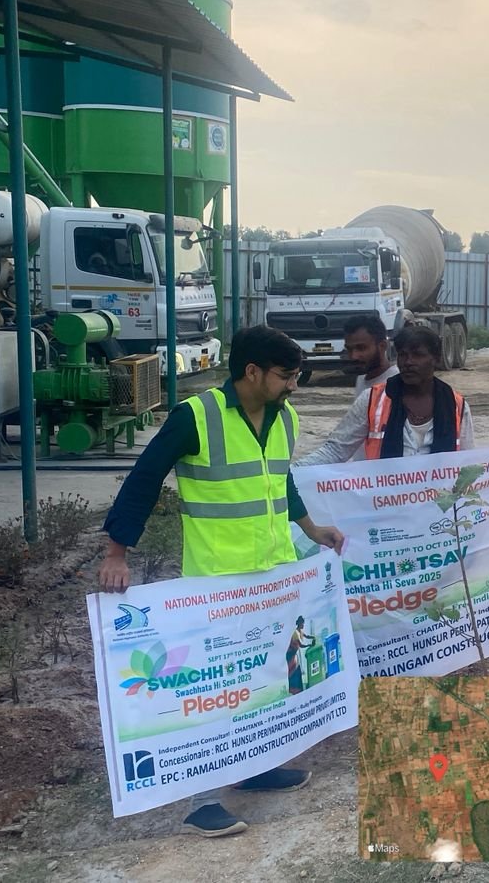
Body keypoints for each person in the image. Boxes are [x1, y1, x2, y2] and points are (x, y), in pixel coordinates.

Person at [95, 324, 345, 839]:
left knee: (264, 680)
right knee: (215, 691)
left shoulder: (285, 417)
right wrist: (117, 551)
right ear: (252, 371)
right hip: (217, 583)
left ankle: (256, 766)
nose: (293, 386)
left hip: (272, 578)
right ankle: (201, 801)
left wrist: (310, 528)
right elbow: (145, 477)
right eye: (286, 376)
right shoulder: (197, 416)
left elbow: (278, 481)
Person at [295, 325, 473, 465]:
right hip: (384, 499)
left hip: (439, 501)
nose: (408, 362)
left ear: (437, 358)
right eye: (403, 355)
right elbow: (336, 450)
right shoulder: (372, 399)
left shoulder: (457, 405)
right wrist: (293, 473)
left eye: (418, 355)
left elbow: (467, 464)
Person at [344, 314, 398, 397]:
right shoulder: (361, 379)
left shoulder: (397, 383)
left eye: (361, 348)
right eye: (349, 349)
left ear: (382, 346)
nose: (353, 356)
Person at [286, 617, 316, 695]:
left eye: (303, 623)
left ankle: (299, 689)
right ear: (299, 623)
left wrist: (313, 637)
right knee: (293, 671)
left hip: (294, 654)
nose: (303, 625)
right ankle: (294, 690)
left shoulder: (300, 631)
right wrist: (310, 644)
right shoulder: (296, 633)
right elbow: (301, 645)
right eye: (302, 623)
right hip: (290, 655)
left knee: (297, 670)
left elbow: (307, 636)